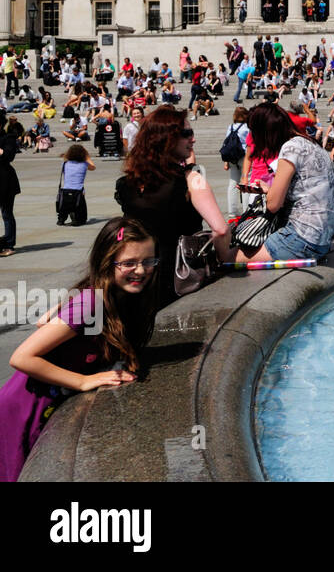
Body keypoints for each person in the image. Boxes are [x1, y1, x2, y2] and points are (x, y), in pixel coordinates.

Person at [0, 218, 158, 482]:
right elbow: (21, 357)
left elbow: (45, 323)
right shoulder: (91, 303)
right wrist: (84, 381)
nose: (140, 271)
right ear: (106, 263)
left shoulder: (118, 297)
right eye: (129, 263)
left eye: (148, 261)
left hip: (47, 400)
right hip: (26, 406)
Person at [116, 106, 230, 306]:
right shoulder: (191, 179)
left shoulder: (127, 183)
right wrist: (223, 259)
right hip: (179, 276)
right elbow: (220, 230)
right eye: (186, 134)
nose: (192, 139)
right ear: (166, 139)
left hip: (139, 278)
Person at [237, 103, 334, 264]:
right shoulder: (310, 142)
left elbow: (273, 205)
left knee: (227, 256)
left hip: (302, 239)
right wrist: (269, 190)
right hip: (323, 238)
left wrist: (270, 195)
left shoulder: (290, 148)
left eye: (253, 132)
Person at [222, 105, 251, 215]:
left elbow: (226, 143)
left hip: (232, 157)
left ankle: (232, 211)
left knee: (233, 183)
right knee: (245, 182)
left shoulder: (231, 127)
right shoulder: (248, 128)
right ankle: (246, 210)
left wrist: (226, 161)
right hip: (244, 157)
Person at [56, 144, 95, 226]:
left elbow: (65, 171)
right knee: (81, 207)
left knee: (64, 203)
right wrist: (87, 157)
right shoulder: (84, 164)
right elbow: (93, 167)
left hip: (66, 190)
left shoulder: (65, 163)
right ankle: (78, 218)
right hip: (79, 191)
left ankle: (61, 218)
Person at [0, 116, 18, 257]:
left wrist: (2, 152)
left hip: (5, 181)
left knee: (7, 213)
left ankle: (9, 244)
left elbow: (8, 155)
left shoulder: (9, 138)